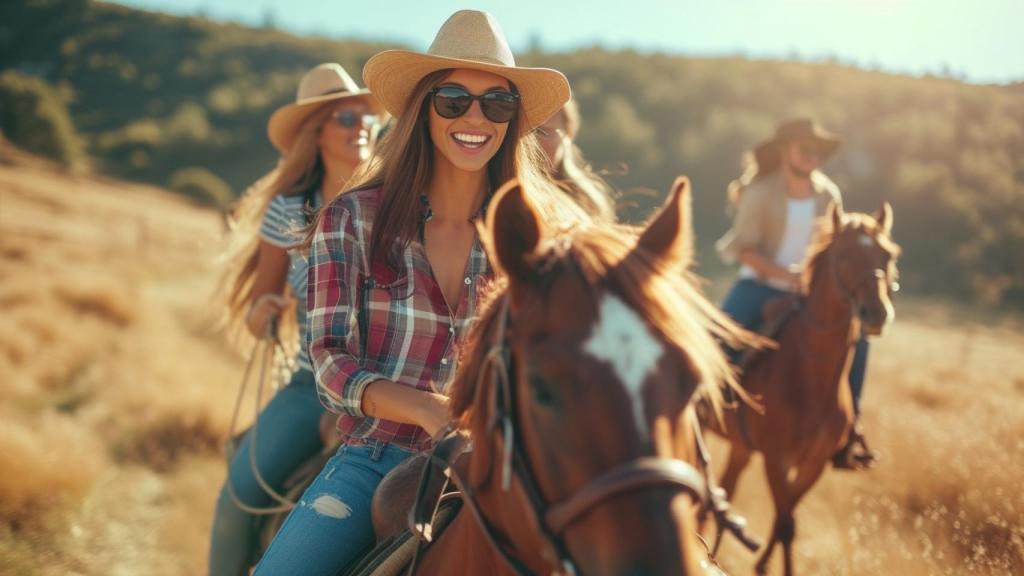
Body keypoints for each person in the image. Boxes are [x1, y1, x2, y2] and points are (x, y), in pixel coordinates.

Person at [253, 10, 589, 575]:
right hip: (375, 460)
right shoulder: (351, 218)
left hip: (508, 468)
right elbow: (330, 363)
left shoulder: (542, 236)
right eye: (453, 100)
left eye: (497, 103)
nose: (475, 117)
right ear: (422, 109)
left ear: (512, 120)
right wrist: (430, 411)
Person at [208, 62, 383, 575]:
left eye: (367, 118)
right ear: (316, 133)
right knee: (239, 493)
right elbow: (260, 305)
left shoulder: (394, 201)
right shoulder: (289, 211)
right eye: (346, 118)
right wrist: (263, 313)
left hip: (397, 382)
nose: (361, 127)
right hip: (313, 384)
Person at [715, 117, 877, 469]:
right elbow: (745, 250)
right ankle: (703, 405)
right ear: (785, 151)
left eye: (817, 151)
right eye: (805, 149)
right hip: (758, 286)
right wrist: (788, 277)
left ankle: (850, 429)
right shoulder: (760, 194)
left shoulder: (828, 195)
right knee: (720, 340)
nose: (812, 156)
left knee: (858, 339)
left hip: (808, 293)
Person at [534, 98, 617, 222]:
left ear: (568, 133)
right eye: (526, 132)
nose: (530, 142)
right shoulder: (507, 194)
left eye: (542, 132)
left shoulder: (588, 202)